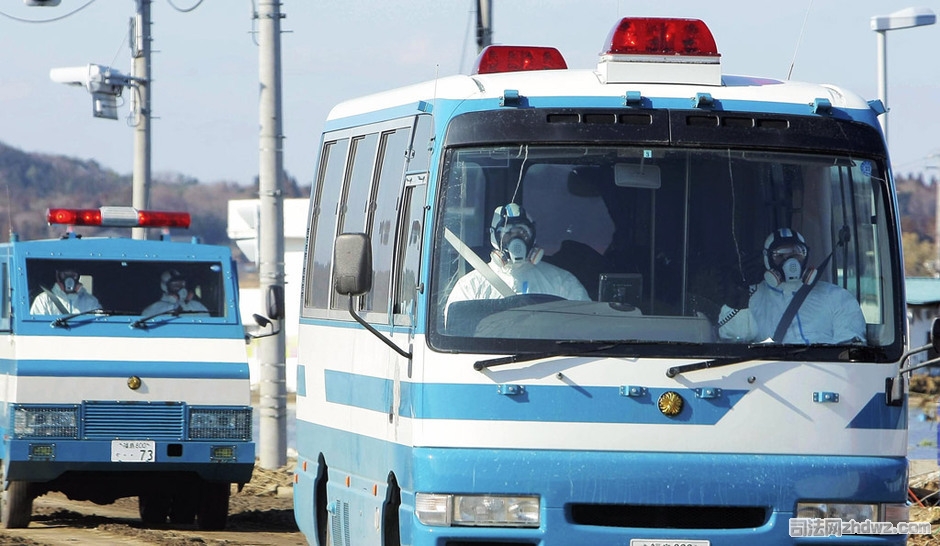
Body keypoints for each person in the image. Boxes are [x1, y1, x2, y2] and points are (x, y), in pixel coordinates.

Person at [718, 228, 866, 344]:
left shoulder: (836, 297)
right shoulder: (750, 297)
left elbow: (850, 348)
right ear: (767, 259)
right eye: (780, 256)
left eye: (797, 254)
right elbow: (732, 340)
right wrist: (738, 303)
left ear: (806, 255)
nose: (790, 262)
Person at [446, 203, 590, 315]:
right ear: (494, 237)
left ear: (533, 236)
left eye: (522, 233)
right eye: (507, 234)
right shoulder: (470, 286)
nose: (516, 240)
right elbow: (456, 330)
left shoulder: (562, 282)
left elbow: (583, 326)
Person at [30, 267, 101, 315]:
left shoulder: (91, 302)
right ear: (58, 276)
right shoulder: (43, 300)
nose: (69, 279)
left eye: (73, 275)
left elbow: (98, 326)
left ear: (78, 277)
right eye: (65, 275)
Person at [141, 269, 209, 316]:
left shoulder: (197, 306)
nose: (182, 289)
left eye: (182, 284)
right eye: (176, 286)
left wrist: (185, 303)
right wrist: (175, 307)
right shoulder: (154, 309)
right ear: (165, 287)